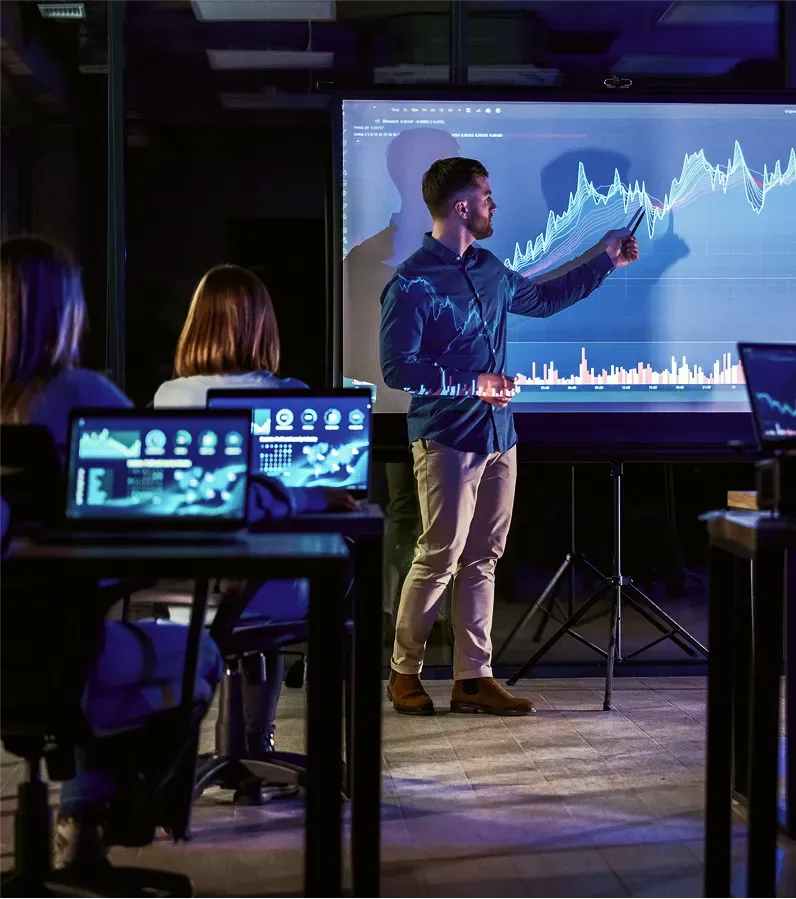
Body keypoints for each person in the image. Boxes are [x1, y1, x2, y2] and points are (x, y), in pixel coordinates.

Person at [380, 157, 640, 716]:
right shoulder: (412, 282)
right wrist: (475, 382)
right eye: (487, 195)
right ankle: (404, 671)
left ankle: (473, 678)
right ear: (461, 207)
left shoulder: (491, 268)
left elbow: (543, 301)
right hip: (446, 437)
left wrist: (606, 262)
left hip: (501, 438)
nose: (494, 204)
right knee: (440, 555)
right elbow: (397, 369)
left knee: (483, 559)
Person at [0, 236, 223, 867]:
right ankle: (96, 817)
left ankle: (84, 814)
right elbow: (172, 484)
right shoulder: (82, 394)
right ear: (65, 310)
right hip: (61, 652)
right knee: (196, 654)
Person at [154, 263, 354, 759]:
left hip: (184, 597)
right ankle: (256, 747)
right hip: (267, 596)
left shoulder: (167, 397)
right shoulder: (290, 399)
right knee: (322, 568)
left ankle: (211, 753)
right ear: (263, 326)